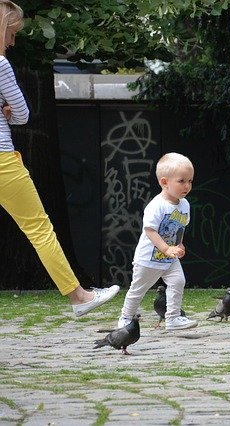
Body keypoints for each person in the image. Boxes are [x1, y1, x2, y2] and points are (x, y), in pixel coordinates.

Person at [0, 0, 119, 317]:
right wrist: (8, 113)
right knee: (39, 230)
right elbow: (24, 114)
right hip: (2, 161)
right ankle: (79, 297)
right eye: (11, 34)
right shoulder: (1, 65)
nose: (12, 42)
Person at [118, 152, 197, 330]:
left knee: (178, 282)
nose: (187, 185)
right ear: (164, 182)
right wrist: (166, 248)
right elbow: (150, 230)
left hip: (169, 259)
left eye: (190, 181)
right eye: (182, 181)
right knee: (138, 290)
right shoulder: (157, 205)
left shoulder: (185, 205)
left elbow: (180, 227)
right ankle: (125, 317)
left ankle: (173, 318)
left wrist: (179, 245)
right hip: (148, 259)